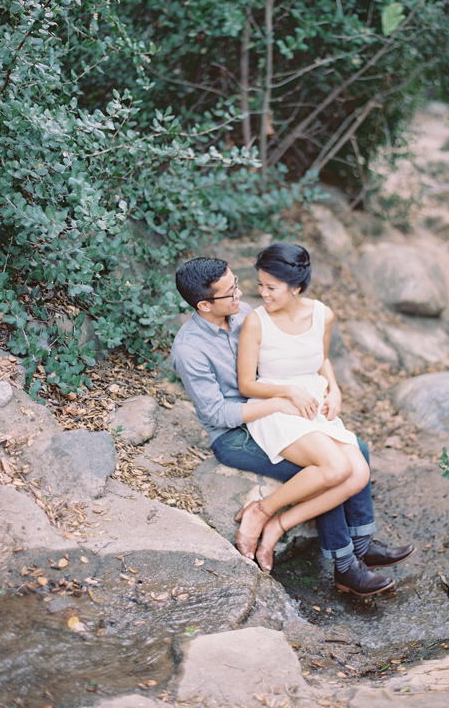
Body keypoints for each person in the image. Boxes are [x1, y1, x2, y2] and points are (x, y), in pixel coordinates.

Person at [171, 255, 412, 597]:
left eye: (238, 285)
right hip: (235, 435)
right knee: (325, 467)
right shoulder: (190, 349)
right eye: (230, 292)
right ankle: (342, 564)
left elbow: (299, 352)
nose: (240, 295)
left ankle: (361, 544)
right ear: (204, 304)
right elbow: (216, 414)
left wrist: (327, 387)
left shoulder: (242, 314)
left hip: (275, 413)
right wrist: (281, 402)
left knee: (357, 448)